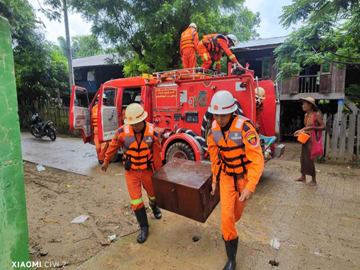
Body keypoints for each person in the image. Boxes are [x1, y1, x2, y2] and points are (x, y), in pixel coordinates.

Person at [207, 91, 264, 270]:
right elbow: (215, 158)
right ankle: (231, 260)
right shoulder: (213, 131)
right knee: (226, 217)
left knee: (235, 215)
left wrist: (251, 186)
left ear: (231, 112)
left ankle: (230, 229)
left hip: (243, 179)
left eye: (223, 115)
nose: (220, 118)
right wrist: (215, 179)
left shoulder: (245, 128)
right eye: (216, 115)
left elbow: (257, 159)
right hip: (225, 178)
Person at [101, 103, 162, 244]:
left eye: (137, 124)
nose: (135, 126)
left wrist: (159, 172)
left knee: (153, 195)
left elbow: (157, 154)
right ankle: (144, 227)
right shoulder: (122, 132)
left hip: (147, 171)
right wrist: (106, 161)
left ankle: (154, 206)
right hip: (132, 172)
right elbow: (112, 146)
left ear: (143, 120)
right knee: (136, 201)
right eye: (132, 124)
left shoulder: (152, 133)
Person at [294, 97, 326, 186]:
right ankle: (303, 176)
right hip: (305, 138)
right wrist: (300, 131)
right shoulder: (305, 115)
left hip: (312, 140)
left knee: (309, 159)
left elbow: (324, 127)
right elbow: (306, 127)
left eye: (305, 104)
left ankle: (313, 179)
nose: (303, 106)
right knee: (303, 158)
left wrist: (312, 128)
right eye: (303, 104)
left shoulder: (317, 115)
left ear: (310, 106)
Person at [92, 94, 109, 164]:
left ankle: (99, 158)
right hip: (102, 128)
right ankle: (102, 159)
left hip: (95, 128)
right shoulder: (105, 108)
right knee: (104, 144)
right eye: (104, 100)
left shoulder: (93, 108)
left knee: (97, 145)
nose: (104, 101)